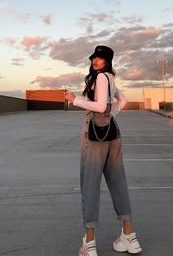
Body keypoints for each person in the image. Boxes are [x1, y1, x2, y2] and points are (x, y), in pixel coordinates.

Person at [65, 45, 142, 255]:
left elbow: (99, 106)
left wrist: (75, 100)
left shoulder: (100, 78)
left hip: (95, 133)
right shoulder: (110, 78)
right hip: (112, 132)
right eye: (94, 58)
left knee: (90, 184)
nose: (96, 61)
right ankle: (129, 236)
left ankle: (89, 243)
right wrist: (112, 115)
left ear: (108, 60)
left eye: (100, 58)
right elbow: (122, 100)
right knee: (118, 182)